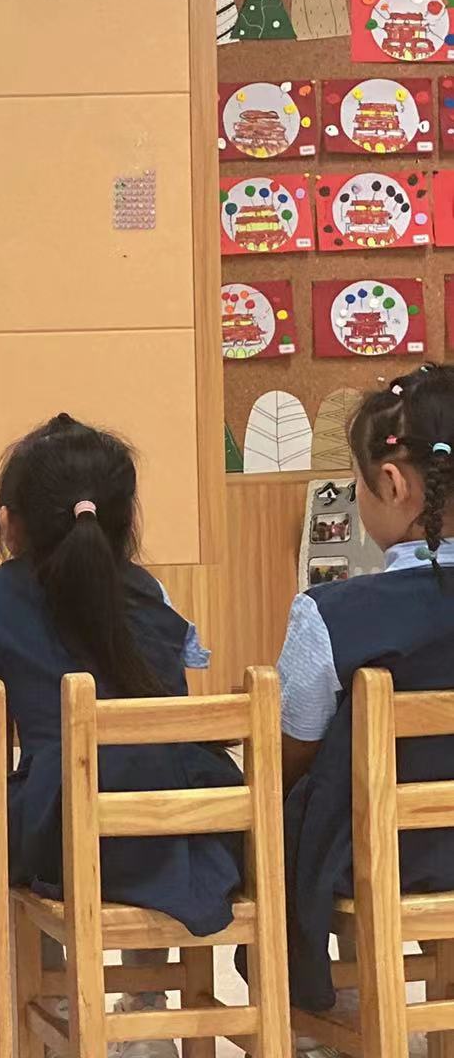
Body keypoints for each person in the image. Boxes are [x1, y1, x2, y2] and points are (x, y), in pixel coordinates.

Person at [0, 414, 241, 1058]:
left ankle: (54, 1007)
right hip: (178, 828)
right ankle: (147, 1010)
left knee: (14, 826)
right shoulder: (152, 592)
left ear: (8, 522)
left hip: (63, 833)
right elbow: (176, 714)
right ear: (124, 518)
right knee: (151, 800)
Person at [279, 366, 454, 1055]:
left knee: (288, 810)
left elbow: (290, 749)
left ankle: (322, 1009)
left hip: (383, 856)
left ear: (392, 482)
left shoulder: (333, 613)